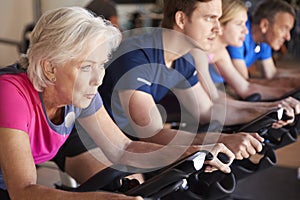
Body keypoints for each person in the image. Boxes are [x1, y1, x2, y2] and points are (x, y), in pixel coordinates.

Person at [0, 7, 235, 200]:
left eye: (101, 64)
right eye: (86, 67)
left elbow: (122, 147)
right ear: (50, 68)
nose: (98, 79)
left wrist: (192, 153)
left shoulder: (77, 94)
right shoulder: (10, 94)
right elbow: (23, 191)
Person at [99, 0, 298, 163]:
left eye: (219, 20)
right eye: (209, 18)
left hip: (130, 143)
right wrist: (223, 140)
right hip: (99, 145)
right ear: (181, 19)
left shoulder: (183, 58)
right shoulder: (136, 56)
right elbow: (152, 133)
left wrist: (269, 109)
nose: (218, 29)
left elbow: (206, 109)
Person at [207, 0, 295, 101]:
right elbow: (245, 81)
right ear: (220, 26)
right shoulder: (233, 42)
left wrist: (286, 94)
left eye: (245, 23)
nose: (246, 31)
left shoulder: (222, 53)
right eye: (239, 24)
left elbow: (245, 87)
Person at [226, 0, 300, 89]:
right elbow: (244, 83)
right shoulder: (239, 33)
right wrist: (292, 83)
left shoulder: (264, 40)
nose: (288, 37)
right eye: (284, 29)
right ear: (264, 25)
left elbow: (271, 73)